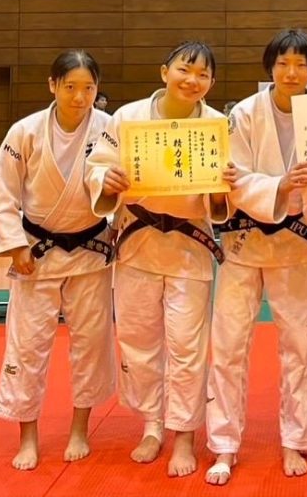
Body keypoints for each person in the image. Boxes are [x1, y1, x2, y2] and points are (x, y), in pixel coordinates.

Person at [85, 41, 236, 478]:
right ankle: (152, 424)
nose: (193, 80)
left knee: (188, 347)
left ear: (212, 82)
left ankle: (184, 433)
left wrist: (222, 189)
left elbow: (224, 200)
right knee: (139, 341)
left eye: (203, 75)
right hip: (137, 242)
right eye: (185, 69)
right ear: (164, 71)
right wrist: (107, 179)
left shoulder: (217, 125)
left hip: (190, 248)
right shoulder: (127, 118)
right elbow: (96, 167)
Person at [205, 29, 307, 486]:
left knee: (299, 348)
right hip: (244, 246)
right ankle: (224, 444)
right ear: (271, 67)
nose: (291, 72)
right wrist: (281, 187)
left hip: (296, 247)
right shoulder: (244, 114)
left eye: (301, 65)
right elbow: (232, 179)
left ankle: (295, 439)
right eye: (283, 63)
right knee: (228, 346)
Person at [0, 49, 115, 471]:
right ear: (52, 85)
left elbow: (124, 186)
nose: (80, 97)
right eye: (70, 87)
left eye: (88, 88)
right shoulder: (24, 132)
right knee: (27, 346)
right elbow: (5, 194)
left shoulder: (110, 129)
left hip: (90, 251)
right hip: (37, 253)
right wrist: (15, 245)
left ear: (97, 89)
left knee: (91, 345)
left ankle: (80, 429)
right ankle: (27, 435)